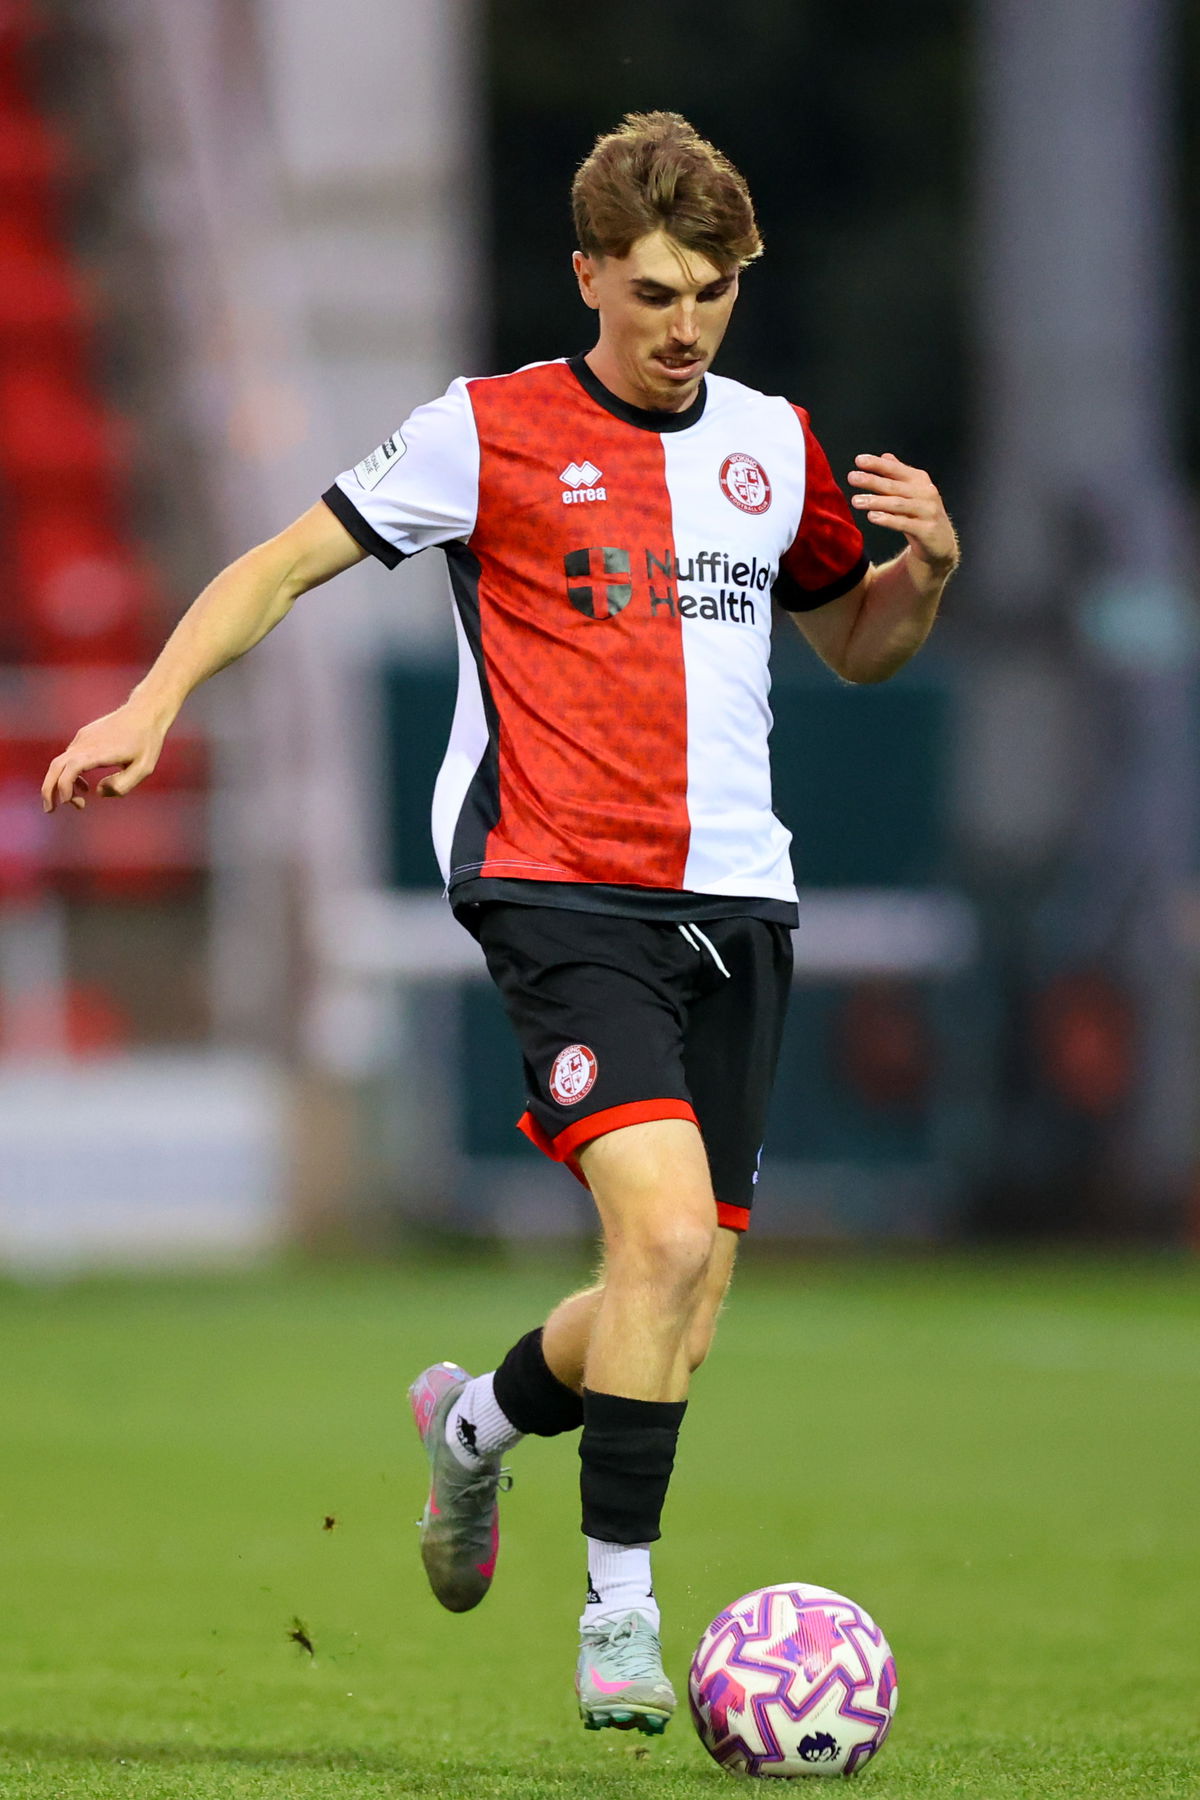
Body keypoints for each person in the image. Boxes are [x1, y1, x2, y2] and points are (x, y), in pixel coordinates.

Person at [42, 111, 958, 1736]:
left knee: (676, 1300)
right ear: (589, 272)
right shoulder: (486, 432)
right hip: (558, 888)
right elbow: (279, 567)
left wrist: (927, 576)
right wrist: (151, 702)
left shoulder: (775, 447)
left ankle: (472, 1429)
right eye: (656, 291)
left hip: (740, 902)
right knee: (659, 1238)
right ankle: (621, 1615)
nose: (686, 327)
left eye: (715, 293)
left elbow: (858, 647)